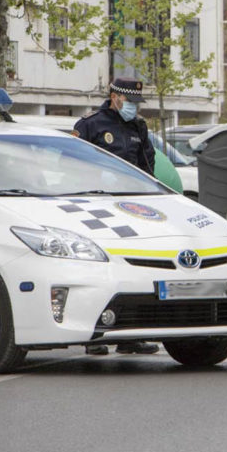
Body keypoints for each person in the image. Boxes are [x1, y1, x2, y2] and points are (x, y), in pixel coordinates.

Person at [74, 78, 159, 354]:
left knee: (135, 272)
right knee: (98, 273)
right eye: (129, 101)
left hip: (131, 209)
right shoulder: (90, 124)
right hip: (96, 209)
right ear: (114, 97)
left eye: (137, 102)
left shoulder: (138, 126)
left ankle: (129, 336)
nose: (133, 107)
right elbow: (72, 167)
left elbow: (148, 167)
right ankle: (93, 338)